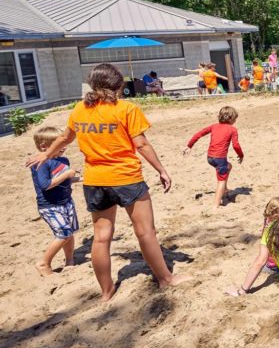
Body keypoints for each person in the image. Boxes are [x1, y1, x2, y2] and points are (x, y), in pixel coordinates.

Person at [25, 63, 189, 301]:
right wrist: (161, 170)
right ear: (118, 84)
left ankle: (106, 291)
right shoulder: (126, 109)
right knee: (145, 232)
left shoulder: (79, 109)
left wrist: (45, 154)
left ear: (92, 84)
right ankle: (166, 279)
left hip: (94, 181)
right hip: (126, 177)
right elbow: (141, 144)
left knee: (101, 237)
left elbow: (64, 138)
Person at [30, 126, 79, 276]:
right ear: (44, 146)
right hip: (50, 206)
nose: (63, 147)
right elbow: (46, 185)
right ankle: (44, 263)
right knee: (63, 233)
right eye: (58, 144)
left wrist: (80, 179)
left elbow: (65, 181)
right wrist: (67, 175)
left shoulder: (63, 160)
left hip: (66, 202)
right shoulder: (40, 163)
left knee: (70, 232)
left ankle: (69, 261)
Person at [183, 105, 244, 207]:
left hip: (210, 158)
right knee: (221, 181)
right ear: (232, 118)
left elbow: (199, 134)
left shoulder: (213, 126)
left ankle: (225, 189)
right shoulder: (232, 129)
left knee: (228, 166)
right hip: (220, 159)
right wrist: (241, 155)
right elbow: (236, 145)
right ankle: (215, 205)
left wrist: (189, 146)